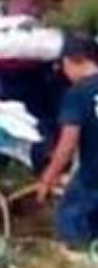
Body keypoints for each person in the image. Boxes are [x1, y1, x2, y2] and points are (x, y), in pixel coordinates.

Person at [37, 34, 98, 248]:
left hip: (93, 177)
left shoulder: (78, 93)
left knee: (69, 216)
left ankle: (80, 267)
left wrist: (49, 178)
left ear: (72, 60)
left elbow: (67, 144)